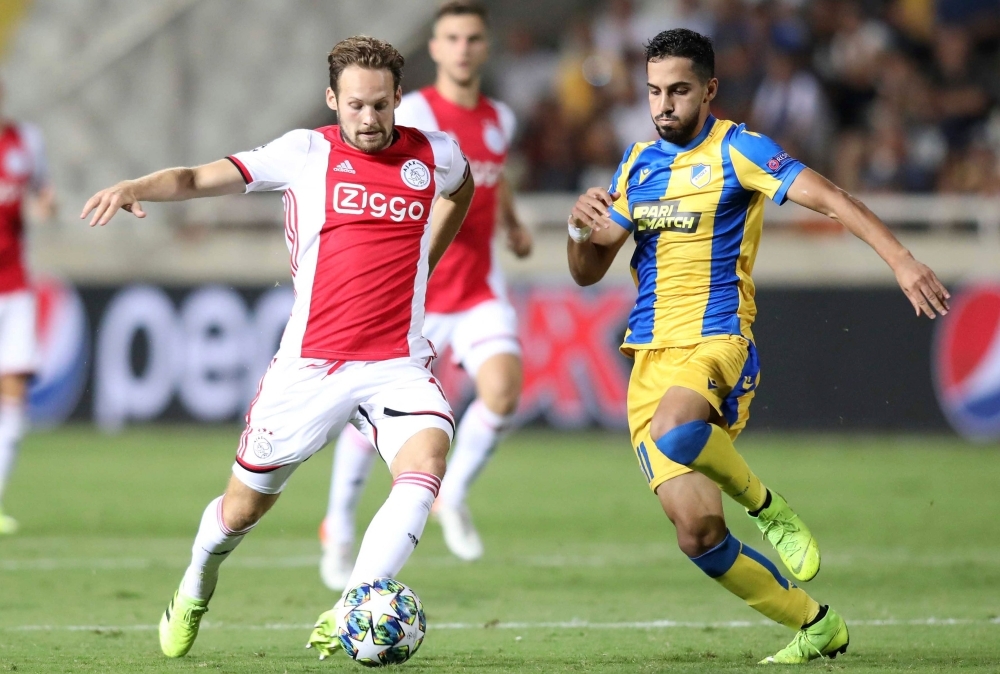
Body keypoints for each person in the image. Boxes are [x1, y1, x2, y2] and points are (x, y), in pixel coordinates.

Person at [80, 36, 474, 659]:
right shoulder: (305, 152)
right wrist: (138, 185)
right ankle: (194, 585)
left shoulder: (434, 155)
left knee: (426, 465)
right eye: (354, 106)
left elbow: (463, 187)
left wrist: (428, 254)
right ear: (331, 100)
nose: (368, 119)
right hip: (309, 368)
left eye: (379, 105)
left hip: (397, 363)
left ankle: (356, 601)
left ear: (400, 98)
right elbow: (193, 177)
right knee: (239, 514)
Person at [566, 29, 949, 665]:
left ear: (709, 89)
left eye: (679, 90)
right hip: (649, 358)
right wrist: (581, 229)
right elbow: (586, 271)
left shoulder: (740, 150)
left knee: (675, 432)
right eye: (655, 90)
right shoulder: (636, 164)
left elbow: (831, 199)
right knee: (698, 534)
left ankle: (770, 510)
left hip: (718, 337)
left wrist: (902, 260)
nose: (664, 104)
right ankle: (816, 623)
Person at [320, 0, 532, 588]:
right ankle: (337, 528)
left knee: (504, 390)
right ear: (435, 49)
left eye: (472, 38)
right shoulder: (407, 110)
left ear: (484, 47)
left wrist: (510, 220)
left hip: (477, 288)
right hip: (412, 293)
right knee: (370, 427)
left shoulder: (501, 119)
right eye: (451, 38)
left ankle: (451, 495)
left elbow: (490, 172)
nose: (462, 48)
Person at [0, 82, 56, 535]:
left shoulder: (25, 141)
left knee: (13, 389)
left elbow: (41, 193)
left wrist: (45, 204)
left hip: (15, 285)